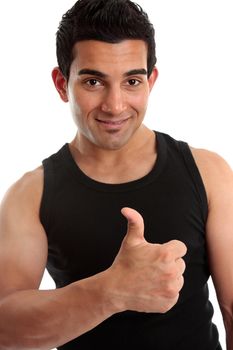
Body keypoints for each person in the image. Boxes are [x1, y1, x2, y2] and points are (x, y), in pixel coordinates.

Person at [0, 0, 232, 348]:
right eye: (94, 81)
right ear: (62, 84)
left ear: (150, 81)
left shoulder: (207, 172)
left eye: (132, 81)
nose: (115, 105)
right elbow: (4, 326)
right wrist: (111, 291)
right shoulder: (30, 194)